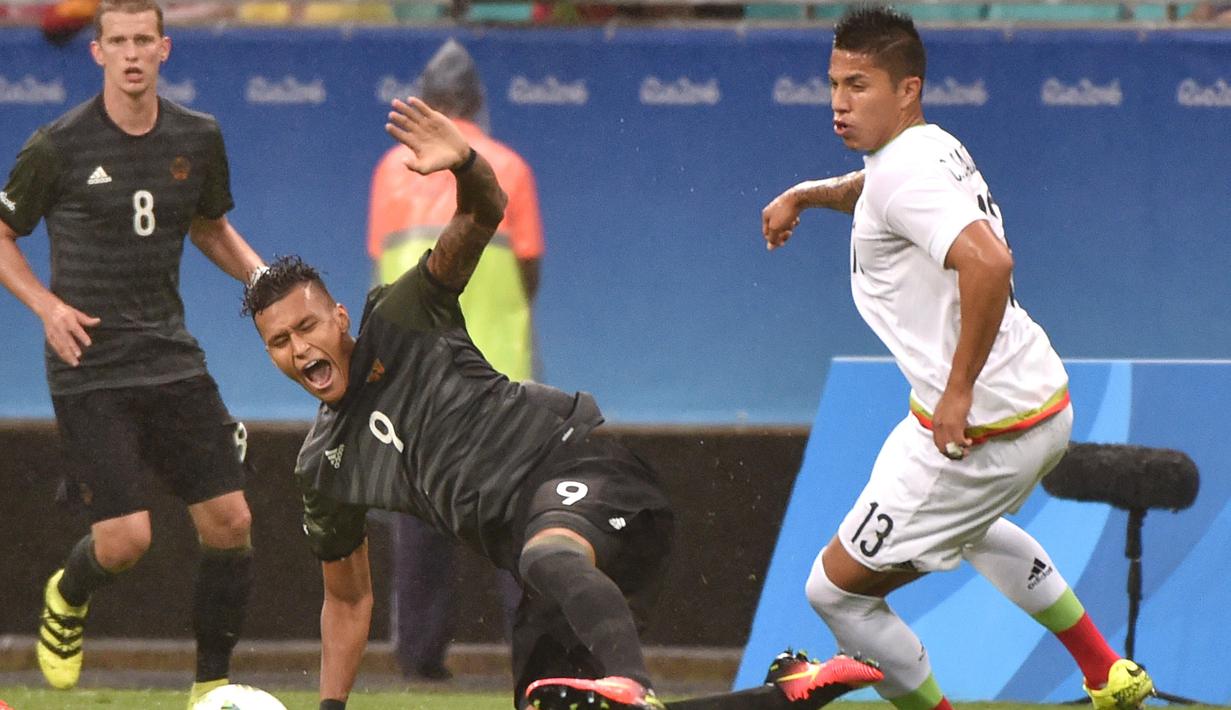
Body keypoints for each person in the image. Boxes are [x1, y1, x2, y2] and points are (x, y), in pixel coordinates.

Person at [243, 96, 882, 710]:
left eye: (308, 328)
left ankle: (631, 683)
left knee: (546, 555)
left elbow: (484, 211)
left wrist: (467, 164)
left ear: (340, 316)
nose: (299, 349)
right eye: (280, 342)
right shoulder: (324, 466)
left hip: (589, 478)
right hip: (553, 570)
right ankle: (787, 692)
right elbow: (348, 601)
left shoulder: (402, 314)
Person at [760, 7, 1157, 710]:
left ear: (905, 89)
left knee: (836, 592)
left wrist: (956, 394)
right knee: (973, 530)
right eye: (832, 83)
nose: (839, 102)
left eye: (859, 85)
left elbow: (988, 262)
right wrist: (803, 195)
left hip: (979, 430)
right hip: (1039, 406)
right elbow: (872, 193)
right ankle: (1106, 673)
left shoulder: (904, 174)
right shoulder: (926, 148)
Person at [0, 0, 264, 705]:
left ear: (165, 48)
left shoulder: (198, 135)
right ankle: (67, 592)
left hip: (171, 355)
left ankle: (211, 690)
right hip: (89, 366)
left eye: (143, 39)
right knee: (124, 541)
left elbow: (209, 226)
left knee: (231, 523)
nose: (131, 53)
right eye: (116, 41)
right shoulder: (56, 145)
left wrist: (267, 283)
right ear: (98, 54)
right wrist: (47, 307)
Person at [366, 38, 540, 681]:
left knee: (419, 520)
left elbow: (382, 273)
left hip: (412, 377)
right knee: (513, 522)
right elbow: (529, 273)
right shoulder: (511, 168)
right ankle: (536, 661)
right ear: (476, 102)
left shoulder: (390, 170)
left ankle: (418, 662)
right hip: (496, 376)